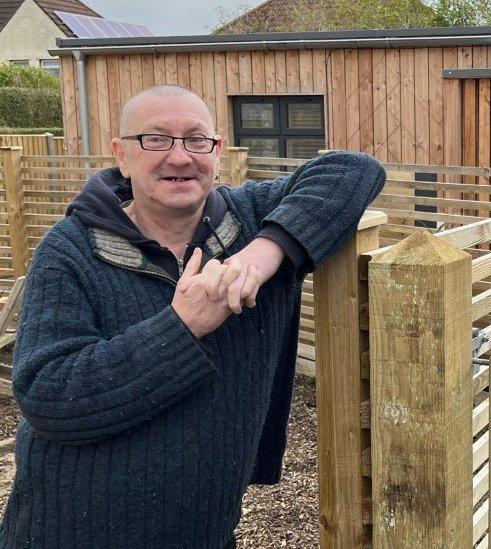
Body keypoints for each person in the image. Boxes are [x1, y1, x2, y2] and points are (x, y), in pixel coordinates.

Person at [0, 85, 385, 548]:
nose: (180, 158)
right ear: (122, 155)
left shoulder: (249, 217)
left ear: (217, 152)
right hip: (74, 529)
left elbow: (356, 169)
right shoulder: (71, 251)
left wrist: (262, 255)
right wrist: (183, 326)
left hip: (206, 528)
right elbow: (48, 393)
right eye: (157, 140)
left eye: (197, 140)